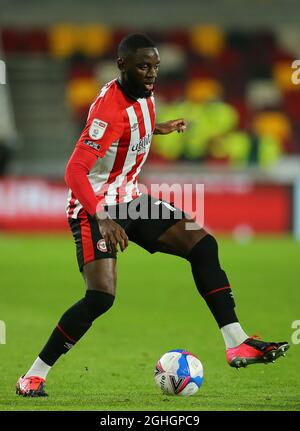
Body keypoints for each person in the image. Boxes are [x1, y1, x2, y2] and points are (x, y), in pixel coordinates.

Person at [16, 33, 289, 397]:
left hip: (131, 198)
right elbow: (74, 171)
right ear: (122, 66)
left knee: (203, 244)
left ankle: (236, 341)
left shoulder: (144, 94)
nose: (151, 74)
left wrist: (159, 128)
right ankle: (33, 376)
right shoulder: (108, 110)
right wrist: (102, 216)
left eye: (156, 66)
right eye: (143, 66)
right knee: (100, 297)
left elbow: (130, 131)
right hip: (94, 208)